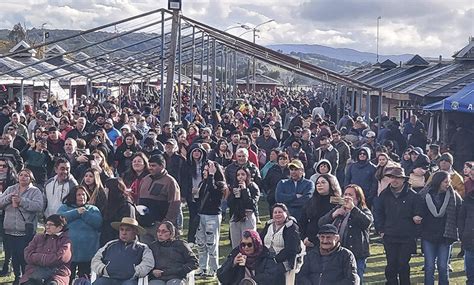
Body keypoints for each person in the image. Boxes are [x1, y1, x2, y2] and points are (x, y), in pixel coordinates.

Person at [415, 171, 463, 285]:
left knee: (442, 266)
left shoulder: (453, 196)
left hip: (445, 235)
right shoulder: (424, 195)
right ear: (438, 182)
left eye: (449, 182)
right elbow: (417, 210)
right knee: (429, 266)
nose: (448, 184)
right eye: (446, 182)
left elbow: (460, 211)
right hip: (428, 235)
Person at [318, 184, 373, 283]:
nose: (347, 197)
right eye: (345, 194)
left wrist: (353, 209)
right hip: (338, 253)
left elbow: (366, 223)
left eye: (351, 195)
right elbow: (321, 223)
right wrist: (333, 214)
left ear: (358, 197)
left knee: (355, 280)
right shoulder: (339, 208)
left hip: (357, 254)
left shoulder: (363, 210)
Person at [375, 165, 419, 285]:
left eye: (398, 178)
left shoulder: (413, 195)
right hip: (389, 235)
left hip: (407, 236)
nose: (394, 180)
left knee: (403, 264)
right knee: (391, 264)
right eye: (392, 177)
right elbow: (378, 213)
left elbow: (418, 212)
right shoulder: (384, 194)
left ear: (404, 179)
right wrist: (381, 230)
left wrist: (416, 220)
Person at [0, 168, 44, 285]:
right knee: (13, 255)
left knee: (24, 256)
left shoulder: (35, 191)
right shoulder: (11, 189)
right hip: (9, 229)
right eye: (21, 175)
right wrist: (8, 198)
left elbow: (39, 206)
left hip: (25, 231)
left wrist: (22, 201)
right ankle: (16, 276)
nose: (23, 177)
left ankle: (26, 278)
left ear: (31, 178)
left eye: (26, 175)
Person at [57, 185, 102, 282]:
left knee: (84, 279)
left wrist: (84, 213)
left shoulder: (92, 209)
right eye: (78, 195)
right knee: (67, 277)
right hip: (69, 251)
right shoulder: (65, 207)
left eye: (83, 194)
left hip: (87, 251)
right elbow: (59, 219)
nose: (82, 197)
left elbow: (98, 223)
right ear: (73, 196)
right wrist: (76, 212)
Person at [91, 217, 154, 285]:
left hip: (129, 280)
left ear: (135, 232)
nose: (124, 233)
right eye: (122, 230)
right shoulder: (110, 244)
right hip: (108, 278)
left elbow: (148, 263)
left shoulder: (143, 248)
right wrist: (103, 269)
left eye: (127, 230)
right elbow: (96, 259)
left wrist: (135, 272)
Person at [138, 154, 181, 244]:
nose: (150, 168)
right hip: (144, 225)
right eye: (149, 165)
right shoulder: (145, 179)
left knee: (163, 251)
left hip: (160, 225)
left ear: (162, 166)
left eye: (153, 165)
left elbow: (174, 204)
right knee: (146, 253)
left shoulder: (170, 182)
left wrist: (166, 223)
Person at [217, 229, 285, 285]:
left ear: (256, 244)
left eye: (249, 245)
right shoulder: (236, 254)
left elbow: (271, 277)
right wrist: (232, 264)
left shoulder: (266, 256)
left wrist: (251, 281)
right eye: (243, 244)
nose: (246, 247)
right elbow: (222, 277)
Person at [194, 161, 226, 278]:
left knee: (211, 243)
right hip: (202, 215)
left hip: (212, 216)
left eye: (207, 170)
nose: (204, 172)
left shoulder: (220, 184)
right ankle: (203, 267)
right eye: (204, 170)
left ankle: (214, 269)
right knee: (201, 243)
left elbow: (213, 192)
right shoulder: (203, 183)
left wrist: (211, 176)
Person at [20, 215, 72, 285]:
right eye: (46, 224)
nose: (47, 227)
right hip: (35, 271)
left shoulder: (65, 241)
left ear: (60, 227)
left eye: (51, 225)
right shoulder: (38, 237)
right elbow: (27, 254)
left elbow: (60, 258)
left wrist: (37, 257)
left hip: (57, 273)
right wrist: (45, 258)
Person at [259, 203, 301, 281]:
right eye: (275, 212)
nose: (277, 214)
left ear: (286, 213)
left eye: (280, 212)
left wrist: (276, 258)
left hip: (283, 260)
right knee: (258, 268)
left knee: (271, 274)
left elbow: (292, 248)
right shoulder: (268, 225)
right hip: (266, 257)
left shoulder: (291, 227)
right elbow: (260, 241)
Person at [300, 174, 341, 249]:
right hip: (311, 242)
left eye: (323, 182)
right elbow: (302, 222)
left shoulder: (337, 201)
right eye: (317, 183)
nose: (319, 185)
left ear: (330, 184)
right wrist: (304, 238)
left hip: (332, 242)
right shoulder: (311, 201)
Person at [227, 167, 260, 248]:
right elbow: (229, 204)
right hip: (236, 216)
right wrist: (234, 196)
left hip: (248, 215)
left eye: (243, 174)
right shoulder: (234, 186)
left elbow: (252, 204)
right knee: (236, 245)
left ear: (247, 175)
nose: (240, 177)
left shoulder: (253, 187)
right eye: (238, 175)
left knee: (249, 242)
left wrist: (245, 190)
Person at [100, 178, 135, 246]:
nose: (105, 190)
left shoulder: (126, 206)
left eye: (107, 188)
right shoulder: (108, 203)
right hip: (108, 242)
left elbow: (128, 227)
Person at [0, 158, 18, 277]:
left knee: (8, 242)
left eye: (4, 166)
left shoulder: (13, 183)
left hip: (7, 214)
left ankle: (7, 265)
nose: (1, 168)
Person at [459, 172, 474, 285]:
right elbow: (461, 219)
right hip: (470, 238)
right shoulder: (468, 199)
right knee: (470, 275)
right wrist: (462, 234)